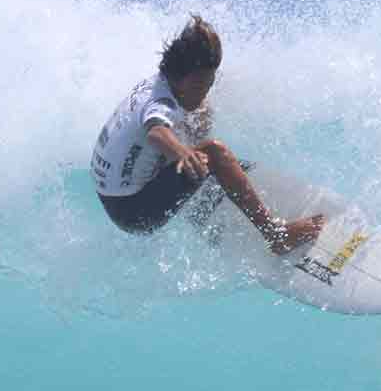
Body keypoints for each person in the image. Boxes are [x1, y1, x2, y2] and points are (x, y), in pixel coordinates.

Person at [93, 16, 324, 254]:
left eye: (209, 84)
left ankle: (208, 181)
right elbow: (155, 131)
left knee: (202, 111)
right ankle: (275, 235)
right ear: (180, 77)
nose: (202, 92)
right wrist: (183, 153)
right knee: (214, 152)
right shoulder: (160, 104)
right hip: (133, 211)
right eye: (198, 87)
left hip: (114, 193)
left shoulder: (164, 80)